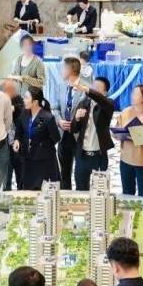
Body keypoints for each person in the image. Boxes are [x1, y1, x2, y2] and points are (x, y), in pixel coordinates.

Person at [71, 77, 115, 190]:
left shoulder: (108, 104)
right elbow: (74, 129)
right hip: (82, 155)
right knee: (81, 188)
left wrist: (87, 90)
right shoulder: (83, 103)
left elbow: (100, 99)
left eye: (97, 88)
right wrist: (76, 118)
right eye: (93, 86)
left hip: (99, 156)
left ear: (105, 92)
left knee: (99, 190)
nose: (93, 89)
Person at [51, 57, 89, 190]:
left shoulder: (86, 88)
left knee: (81, 175)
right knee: (64, 173)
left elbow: (89, 113)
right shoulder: (61, 86)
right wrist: (59, 120)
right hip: (63, 135)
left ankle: (82, 198)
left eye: (63, 67)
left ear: (71, 70)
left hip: (79, 137)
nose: (61, 70)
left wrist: (76, 121)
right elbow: (55, 108)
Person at [13, 87, 61, 190]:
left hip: (44, 161)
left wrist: (42, 144)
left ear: (35, 102)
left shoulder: (48, 117)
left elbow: (56, 138)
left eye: (26, 98)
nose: (24, 100)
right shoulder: (24, 113)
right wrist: (17, 140)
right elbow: (19, 130)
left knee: (44, 190)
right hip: (28, 159)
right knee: (27, 189)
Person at [117, 85, 143, 197]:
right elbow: (117, 130)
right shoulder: (125, 112)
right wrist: (119, 134)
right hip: (125, 160)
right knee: (127, 193)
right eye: (132, 93)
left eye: (136, 94)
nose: (132, 96)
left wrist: (136, 136)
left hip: (142, 162)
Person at [2, 79, 25, 190]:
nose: (14, 92)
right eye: (10, 90)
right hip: (3, 144)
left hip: (17, 143)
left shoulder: (18, 99)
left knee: (21, 176)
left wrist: (14, 108)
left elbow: (23, 111)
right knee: (6, 178)